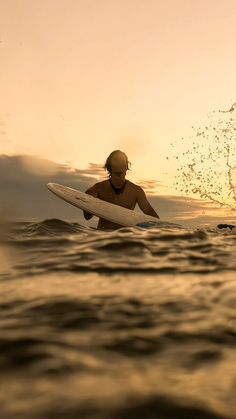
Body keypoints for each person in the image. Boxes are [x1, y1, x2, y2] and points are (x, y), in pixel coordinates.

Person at [83, 150, 160, 230]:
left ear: (126, 167)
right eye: (116, 161)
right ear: (109, 167)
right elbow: (87, 217)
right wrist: (90, 201)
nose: (119, 164)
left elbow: (151, 216)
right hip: (103, 237)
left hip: (126, 238)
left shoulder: (136, 191)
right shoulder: (99, 188)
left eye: (122, 161)